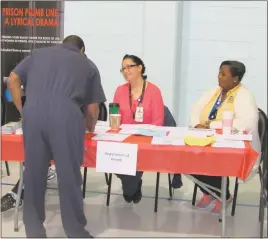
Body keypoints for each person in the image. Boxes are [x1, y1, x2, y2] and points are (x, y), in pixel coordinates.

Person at [7, 35, 106, 238]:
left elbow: (13, 79)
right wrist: (90, 125)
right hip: (65, 118)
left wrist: (24, 110)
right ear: (81, 49)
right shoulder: (87, 64)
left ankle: (34, 232)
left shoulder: (37, 55)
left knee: (33, 176)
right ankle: (75, 231)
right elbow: (93, 109)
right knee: (68, 176)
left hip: (33, 117)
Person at [188, 60, 261, 214]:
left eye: (223, 74)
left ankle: (223, 196)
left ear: (235, 79)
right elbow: (196, 109)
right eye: (219, 72)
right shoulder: (214, 90)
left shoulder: (244, 95)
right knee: (187, 158)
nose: (219, 77)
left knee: (212, 160)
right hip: (204, 137)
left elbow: (245, 122)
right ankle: (209, 192)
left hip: (229, 143)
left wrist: (211, 126)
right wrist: (196, 124)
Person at [113, 54, 164, 204]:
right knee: (108, 156)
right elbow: (115, 116)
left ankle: (131, 185)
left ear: (140, 67)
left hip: (145, 140)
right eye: (123, 68)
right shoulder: (120, 90)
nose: (126, 71)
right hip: (123, 140)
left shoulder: (154, 91)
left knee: (130, 177)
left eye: (129, 66)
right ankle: (133, 183)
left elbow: (158, 121)